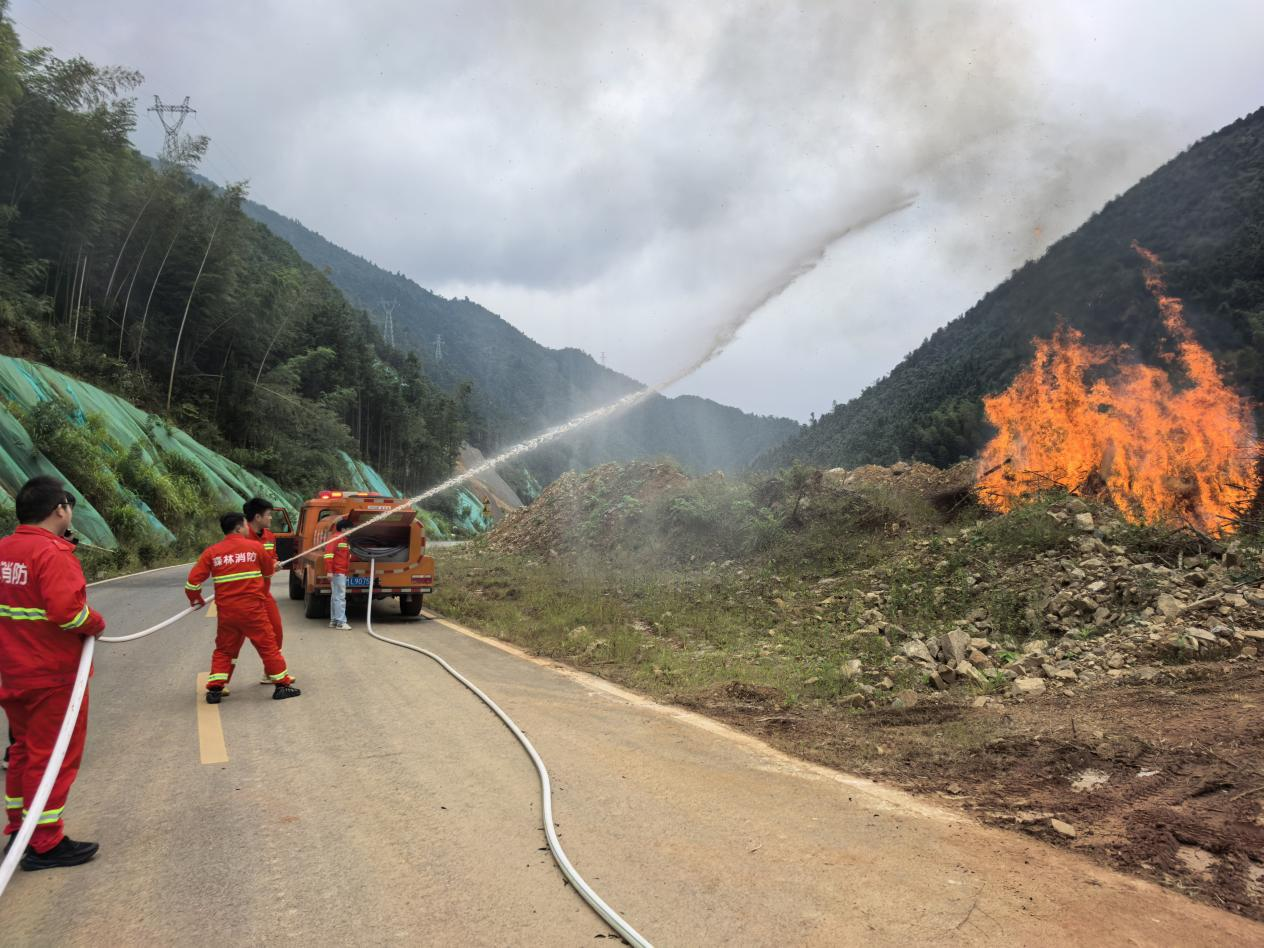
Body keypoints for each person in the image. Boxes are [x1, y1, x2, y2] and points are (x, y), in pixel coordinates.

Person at [0, 476, 105, 871]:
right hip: (52, 675)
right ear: (60, 509)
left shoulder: (4, 550)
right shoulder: (53, 554)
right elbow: (68, 613)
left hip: (14, 672)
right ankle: (44, 842)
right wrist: (95, 623)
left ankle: (19, 830)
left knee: (23, 751)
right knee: (53, 757)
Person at [185, 513, 300, 703]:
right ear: (239, 528)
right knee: (267, 646)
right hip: (252, 610)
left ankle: (215, 689)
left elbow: (192, 583)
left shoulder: (212, 552)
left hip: (227, 613)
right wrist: (273, 568)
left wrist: (195, 599)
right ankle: (282, 685)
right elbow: (267, 572)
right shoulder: (255, 547)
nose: (248, 528)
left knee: (224, 649)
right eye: (246, 525)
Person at [243, 497, 287, 684]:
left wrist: (274, 562)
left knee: (276, 630)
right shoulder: (241, 536)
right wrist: (268, 566)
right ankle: (218, 684)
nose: (271, 518)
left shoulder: (269, 536)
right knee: (232, 641)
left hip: (263, 593)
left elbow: (272, 556)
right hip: (244, 596)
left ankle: (271, 672)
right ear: (257, 517)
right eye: (268, 515)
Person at [323, 517, 352, 631]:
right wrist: (329, 571)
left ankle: (334, 621)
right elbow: (328, 555)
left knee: (335, 597)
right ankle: (340, 622)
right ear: (343, 529)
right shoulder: (336, 539)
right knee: (340, 597)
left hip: (340, 572)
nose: (351, 531)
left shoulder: (344, 540)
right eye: (350, 529)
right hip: (337, 572)